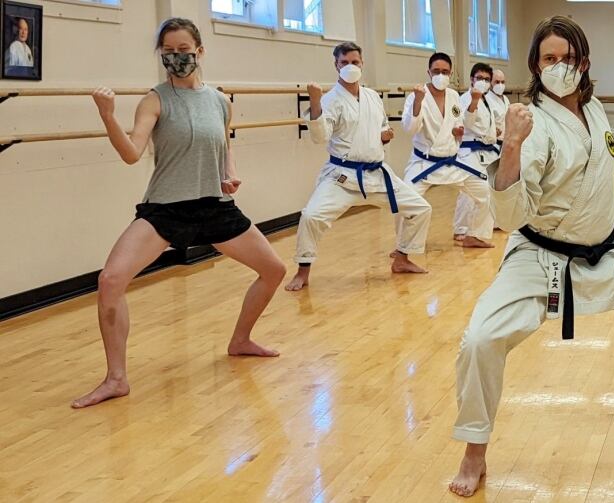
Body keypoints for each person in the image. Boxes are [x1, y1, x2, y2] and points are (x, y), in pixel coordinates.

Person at [449, 16, 614, 497]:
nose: (559, 67)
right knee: (480, 340)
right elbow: (511, 212)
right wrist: (510, 145)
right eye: (549, 58)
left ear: (584, 63)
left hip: (606, 254)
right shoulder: (532, 123)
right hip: (541, 259)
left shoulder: (596, 109)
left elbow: (589, 160)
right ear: (535, 64)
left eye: (568, 58)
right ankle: (474, 451)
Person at [71, 18, 287, 409]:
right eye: (168, 52)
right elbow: (131, 154)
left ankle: (240, 340)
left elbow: (225, 145)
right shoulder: (154, 100)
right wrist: (107, 115)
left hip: (215, 207)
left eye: (184, 51)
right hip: (166, 210)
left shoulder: (220, 101)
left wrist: (230, 174)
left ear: (200, 51)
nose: (177, 58)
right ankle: (116, 378)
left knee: (274, 270)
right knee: (111, 280)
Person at [284, 42, 432, 292]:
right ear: (336, 65)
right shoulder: (330, 99)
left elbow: (382, 126)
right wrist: (315, 101)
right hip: (342, 177)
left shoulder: (372, 96)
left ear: (362, 64)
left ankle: (402, 258)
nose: (350, 67)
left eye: (355, 62)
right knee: (311, 216)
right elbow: (320, 138)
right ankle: (302, 271)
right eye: (344, 63)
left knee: (421, 208)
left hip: (376, 173)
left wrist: (385, 135)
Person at [398, 53, 493, 249]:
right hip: (424, 162)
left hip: (452, 162)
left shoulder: (453, 96)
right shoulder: (417, 95)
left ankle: (473, 235)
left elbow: (458, 123)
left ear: (450, 74)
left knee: (484, 191)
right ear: (428, 72)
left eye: (445, 72)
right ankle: (402, 246)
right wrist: (417, 102)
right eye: (436, 71)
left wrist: (457, 131)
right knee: (405, 199)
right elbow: (410, 129)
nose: (440, 75)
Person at [452, 68, 511, 238]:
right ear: (471, 78)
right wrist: (474, 101)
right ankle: (461, 228)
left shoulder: (487, 100)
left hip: (487, 151)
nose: (483, 82)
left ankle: (478, 230)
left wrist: (494, 131)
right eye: (480, 78)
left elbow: (486, 124)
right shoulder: (464, 99)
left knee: (488, 191)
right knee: (468, 193)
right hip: (469, 152)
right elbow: (467, 122)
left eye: (487, 79)